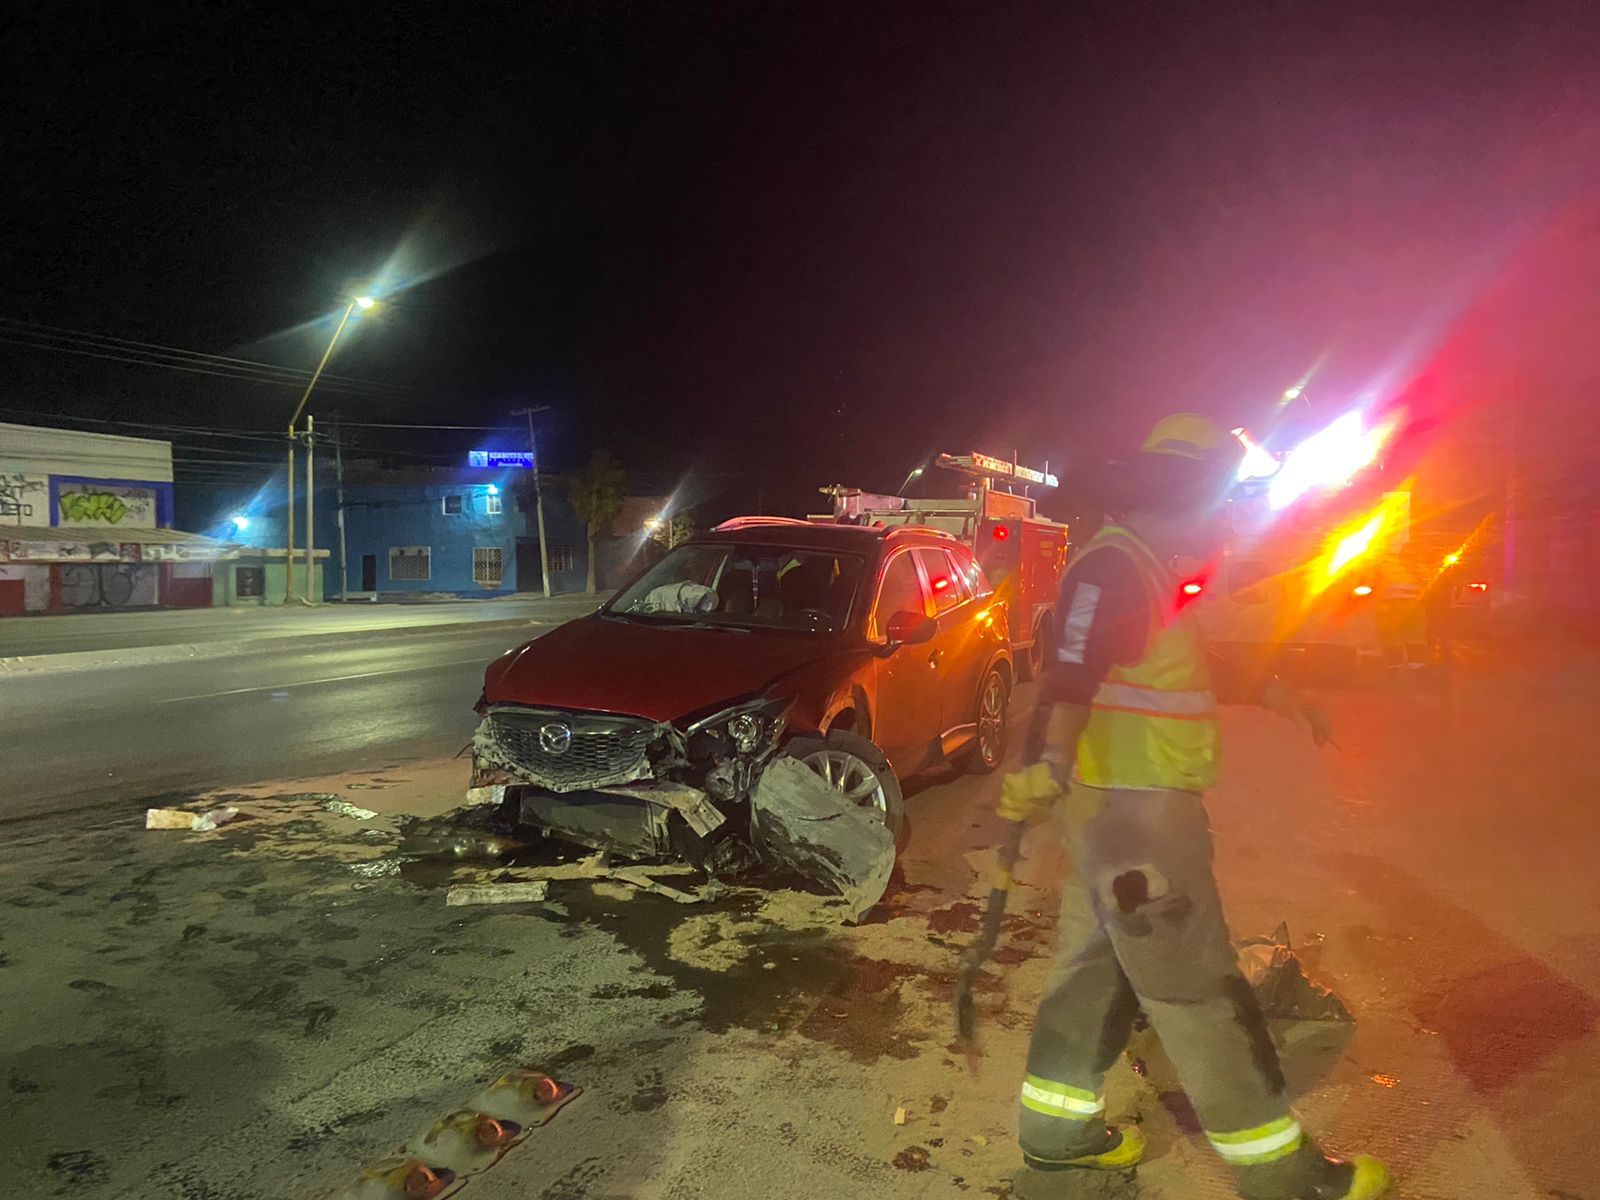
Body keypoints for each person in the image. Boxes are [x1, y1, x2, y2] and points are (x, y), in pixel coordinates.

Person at [999, 414, 1390, 1199]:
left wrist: (1280, 695)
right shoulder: (1112, 568)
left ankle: (1057, 1130)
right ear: (1184, 495)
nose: (1228, 521)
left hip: (1114, 819)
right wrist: (1048, 761)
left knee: (1091, 975)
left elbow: (1190, 661)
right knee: (1198, 994)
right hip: (1141, 824)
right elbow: (1073, 672)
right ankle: (1288, 1179)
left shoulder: (1140, 569)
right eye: (1222, 503)